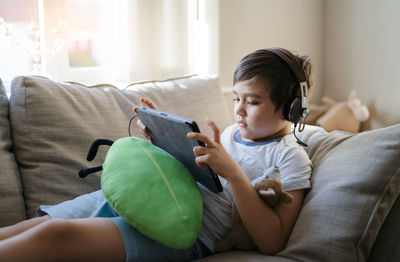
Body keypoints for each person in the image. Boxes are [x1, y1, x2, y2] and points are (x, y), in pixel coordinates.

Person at [0, 48, 313, 262]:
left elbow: (273, 242)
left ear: (291, 107)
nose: (239, 110)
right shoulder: (231, 133)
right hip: (150, 197)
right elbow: (193, 172)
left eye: (253, 101)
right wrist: (164, 139)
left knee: (56, 235)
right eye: (236, 98)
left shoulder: (290, 158)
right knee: (38, 224)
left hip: (183, 231)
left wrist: (232, 172)